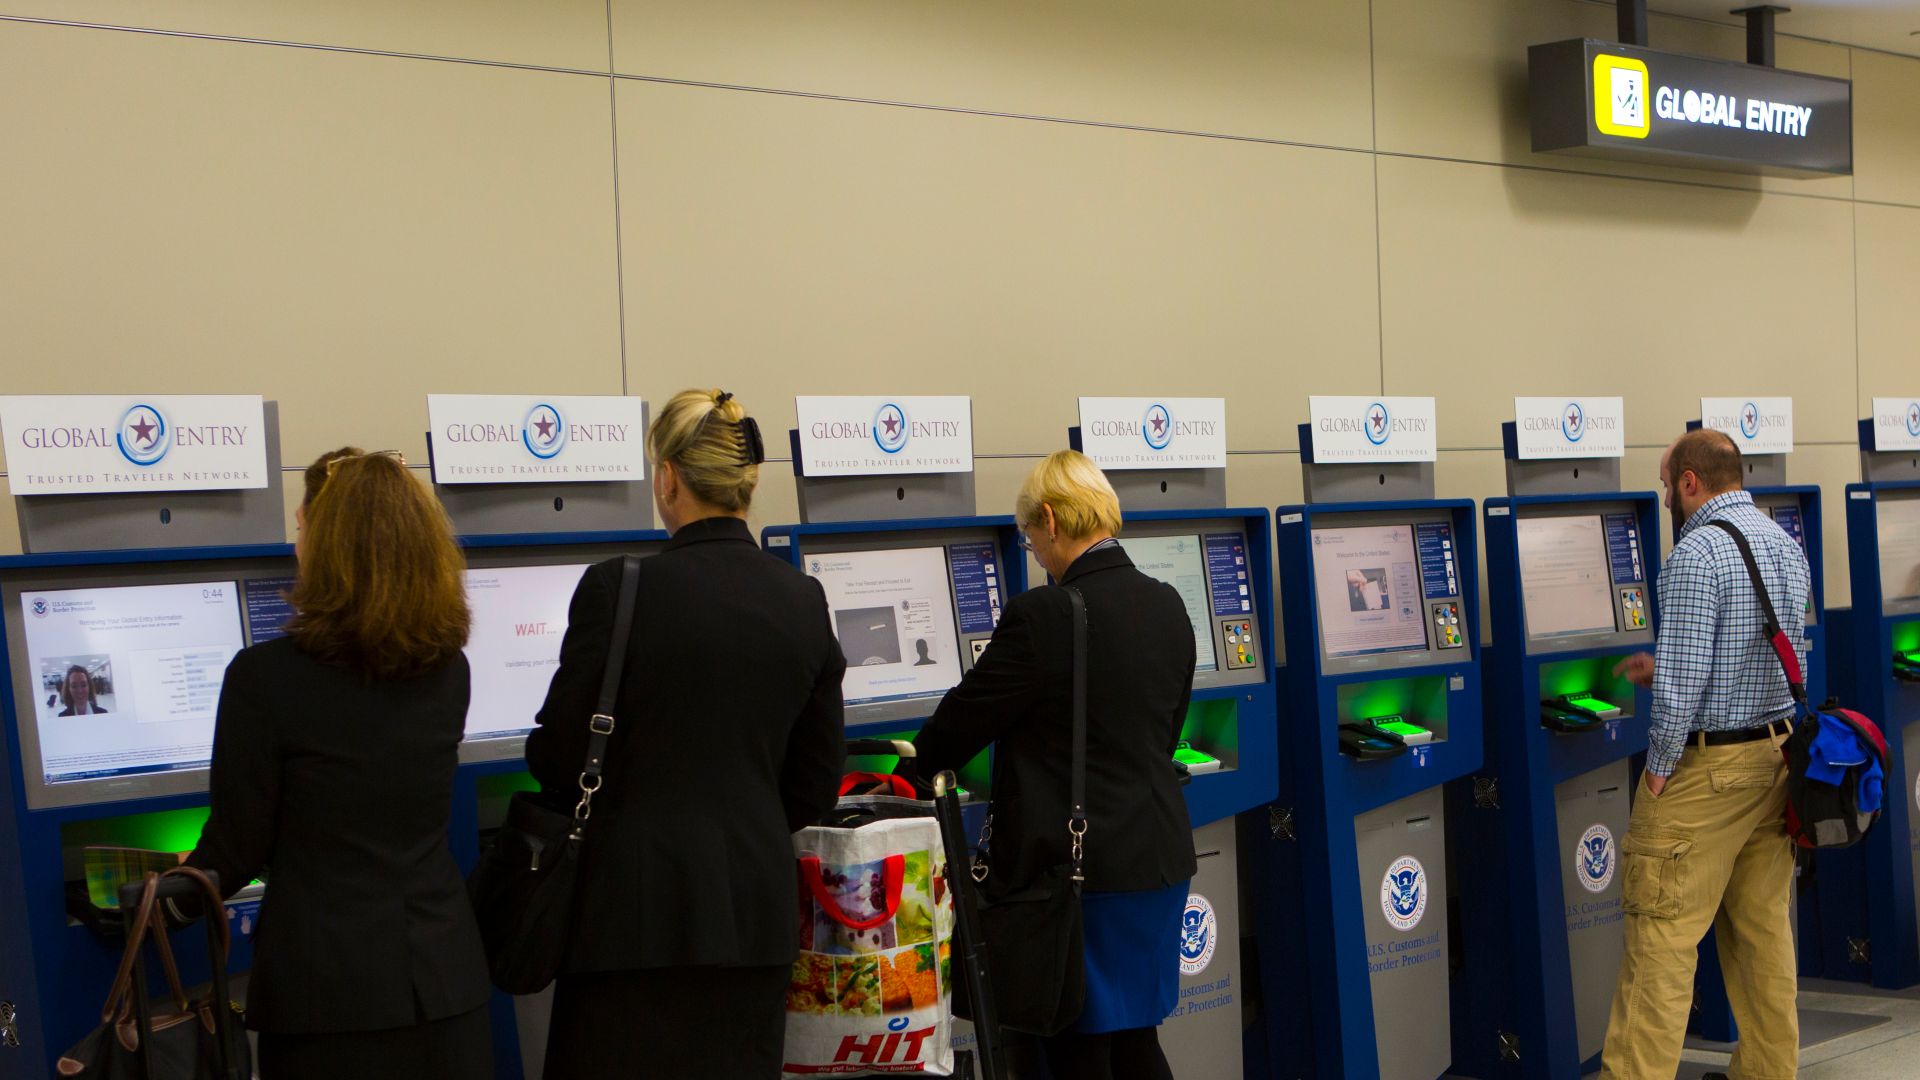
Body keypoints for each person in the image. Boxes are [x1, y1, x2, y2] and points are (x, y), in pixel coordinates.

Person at [526, 389, 846, 1080]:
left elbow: (555, 760)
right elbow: (816, 780)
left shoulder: (619, 589)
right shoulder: (801, 597)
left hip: (628, 921)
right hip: (753, 921)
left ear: (667, 477)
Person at [179, 447, 493, 1079]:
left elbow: (235, 851)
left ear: (326, 547)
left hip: (325, 1001)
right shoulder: (448, 669)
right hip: (443, 985)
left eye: (301, 529)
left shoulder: (262, 679)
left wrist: (162, 896)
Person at [904, 449, 1196, 1080]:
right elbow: (1164, 732)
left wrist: (902, 773)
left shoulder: (1046, 615)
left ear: (1053, 520)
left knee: (1074, 1050)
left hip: (1079, 881)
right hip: (1157, 862)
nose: (1033, 550)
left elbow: (960, 725)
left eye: (1031, 536)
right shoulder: (1170, 604)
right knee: (1136, 1041)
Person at [1598, 428, 1810, 1080]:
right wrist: (1659, 671)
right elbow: (1777, 659)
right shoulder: (1784, 543)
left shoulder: (1696, 556)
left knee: (1660, 940)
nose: (1666, 496)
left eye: (1666, 484)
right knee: (1762, 937)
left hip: (1706, 775)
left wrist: (1659, 773)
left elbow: (1688, 690)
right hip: (1775, 760)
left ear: (1690, 481)